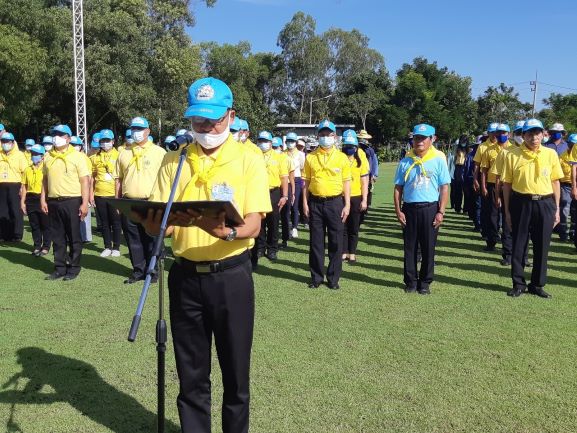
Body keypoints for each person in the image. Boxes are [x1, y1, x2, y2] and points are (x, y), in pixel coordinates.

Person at [141, 77, 271, 433]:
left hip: (231, 277)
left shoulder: (248, 158)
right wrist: (153, 226)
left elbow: (254, 225)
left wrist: (225, 232)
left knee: (236, 376)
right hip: (184, 278)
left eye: (213, 119)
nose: (205, 127)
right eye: (198, 119)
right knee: (191, 377)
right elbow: (163, 225)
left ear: (231, 116)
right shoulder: (174, 160)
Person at [502, 119, 563, 298]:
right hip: (521, 202)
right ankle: (518, 284)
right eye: (529, 133)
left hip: (545, 203)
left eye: (537, 133)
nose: (534, 137)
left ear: (543, 134)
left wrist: (557, 209)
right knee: (519, 244)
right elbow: (507, 185)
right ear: (523, 135)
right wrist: (507, 211)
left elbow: (555, 182)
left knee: (542, 245)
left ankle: (537, 284)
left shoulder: (550, 154)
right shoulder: (512, 154)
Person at [394, 124, 450, 295]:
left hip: (430, 208)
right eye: (417, 137)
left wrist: (441, 211)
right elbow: (398, 188)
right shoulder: (405, 161)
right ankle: (411, 281)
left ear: (432, 139)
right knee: (410, 248)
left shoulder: (438, 160)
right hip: (409, 209)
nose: (419, 141)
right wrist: (398, 211)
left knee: (428, 248)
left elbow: (444, 188)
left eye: (423, 138)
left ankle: (425, 282)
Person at [116, 116, 166, 284]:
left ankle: (152, 271)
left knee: (151, 238)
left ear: (148, 131)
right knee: (133, 239)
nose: (136, 132)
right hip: (129, 202)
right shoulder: (123, 152)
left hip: (151, 202)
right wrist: (118, 201)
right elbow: (119, 179)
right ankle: (138, 270)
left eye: (139, 129)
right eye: (133, 129)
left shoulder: (159, 152)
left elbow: (165, 179)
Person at [302, 119, 351, 289]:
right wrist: (305, 203)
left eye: (328, 134)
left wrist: (347, 205)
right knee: (316, 243)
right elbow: (306, 183)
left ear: (334, 136)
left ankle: (333, 279)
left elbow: (346, 182)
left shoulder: (342, 158)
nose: (325, 137)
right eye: (322, 134)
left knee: (336, 242)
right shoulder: (310, 157)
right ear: (318, 136)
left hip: (335, 203)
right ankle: (316, 278)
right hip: (315, 203)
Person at [41, 124, 90, 281]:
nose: (56, 137)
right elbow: (45, 180)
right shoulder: (48, 156)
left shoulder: (78, 156)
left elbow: (85, 181)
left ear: (68, 139)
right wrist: (43, 199)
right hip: (54, 201)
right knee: (57, 237)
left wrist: (84, 203)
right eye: (54, 134)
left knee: (74, 236)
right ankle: (60, 268)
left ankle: (74, 268)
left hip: (72, 200)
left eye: (61, 134)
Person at [254, 131, 288, 262]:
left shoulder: (279, 157)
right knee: (260, 221)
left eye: (265, 141)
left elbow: (284, 178)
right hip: (258, 192)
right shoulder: (254, 155)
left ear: (270, 142)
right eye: (260, 141)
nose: (262, 143)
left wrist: (285, 196)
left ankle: (272, 248)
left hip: (273, 192)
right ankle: (260, 248)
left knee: (273, 222)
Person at [480, 123, 512, 257]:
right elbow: (484, 170)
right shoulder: (489, 150)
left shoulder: (514, 150)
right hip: (493, 185)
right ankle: (491, 241)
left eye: (504, 133)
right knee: (492, 215)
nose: (500, 135)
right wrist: (483, 186)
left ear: (509, 134)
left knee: (507, 217)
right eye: (498, 133)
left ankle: (507, 248)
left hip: (509, 186)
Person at [90, 129, 122, 257]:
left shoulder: (119, 155)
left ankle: (116, 247)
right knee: (104, 222)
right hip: (99, 194)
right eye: (103, 141)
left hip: (114, 194)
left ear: (113, 141)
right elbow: (92, 177)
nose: (105, 143)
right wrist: (91, 194)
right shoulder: (95, 158)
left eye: (107, 140)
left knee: (116, 222)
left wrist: (119, 196)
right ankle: (107, 246)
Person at [341, 130, 369, 264]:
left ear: (356, 146)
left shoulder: (361, 159)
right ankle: (343, 251)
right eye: (346, 145)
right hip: (341, 196)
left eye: (351, 146)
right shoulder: (339, 158)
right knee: (342, 226)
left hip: (356, 196)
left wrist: (364, 200)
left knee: (354, 226)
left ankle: (352, 252)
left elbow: (364, 181)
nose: (349, 148)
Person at [20, 144, 51, 256]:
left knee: (45, 224)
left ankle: (46, 246)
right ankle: (37, 246)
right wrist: (22, 201)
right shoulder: (27, 169)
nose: (34, 156)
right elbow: (24, 186)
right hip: (30, 198)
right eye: (33, 154)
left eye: (37, 154)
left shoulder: (46, 168)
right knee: (34, 225)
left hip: (43, 198)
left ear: (42, 156)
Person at [0, 132, 28, 242]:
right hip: (1, 185)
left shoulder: (19, 155)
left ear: (12, 143)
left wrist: (22, 187)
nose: (5, 144)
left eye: (7, 142)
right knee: (3, 211)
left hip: (15, 185)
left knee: (16, 210)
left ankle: (17, 235)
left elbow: (25, 172)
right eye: (3, 141)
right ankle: (4, 234)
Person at [474, 123, 498, 238]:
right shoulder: (482, 146)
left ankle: (495, 231)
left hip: (501, 182)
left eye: (495, 132)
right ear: (488, 133)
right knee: (486, 208)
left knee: (496, 209)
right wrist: (475, 180)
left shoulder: (504, 146)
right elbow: (477, 165)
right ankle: (485, 231)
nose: (494, 134)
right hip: (485, 179)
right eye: (491, 132)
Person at [274, 136, 294, 249]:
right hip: (275, 188)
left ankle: (285, 239)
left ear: (281, 147)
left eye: (276, 147)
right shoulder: (269, 158)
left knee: (285, 215)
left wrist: (293, 193)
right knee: (273, 216)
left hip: (286, 188)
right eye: (273, 147)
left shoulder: (287, 158)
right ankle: (272, 239)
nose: (274, 149)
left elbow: (291, 178)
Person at [285, 132, 305, 238]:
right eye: (288, 141)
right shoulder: (283, 154)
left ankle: (294, 227)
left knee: (294, 204)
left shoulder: (301, 155)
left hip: (297, 180)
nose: (290, 143)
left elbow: (302, 168)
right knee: (286, 205)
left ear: (295, 142)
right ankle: (287, 227)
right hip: (285, 180)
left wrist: (302, 183)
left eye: (292, 141)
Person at [558, 133, 577, 242]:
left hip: (576, 185)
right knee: (564, 210)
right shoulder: (562, 157)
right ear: (568, 144)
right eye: (572, 144)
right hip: (565, 186)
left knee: (574, 211)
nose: (573, 146)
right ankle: (563, 233)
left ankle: (573, 233)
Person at [357, 129, 378, 221]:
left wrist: (374, 174)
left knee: (367, 191)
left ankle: (364, 209)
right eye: (363, 138)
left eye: (365, 139)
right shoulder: (355, 149)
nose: (364, 140)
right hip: (357, 175)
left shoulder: (370, 150)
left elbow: (375, 163)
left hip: (368, 175)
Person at [451, 136, 468, 213]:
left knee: (466, 190)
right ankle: (457, 207)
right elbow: (454, 160)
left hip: (465, 168)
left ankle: (466, 208)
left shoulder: (468, 150)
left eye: (464, 141)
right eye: (462, 141)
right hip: (458, 168)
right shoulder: (457, 149)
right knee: (458, 190)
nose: (463, 142)